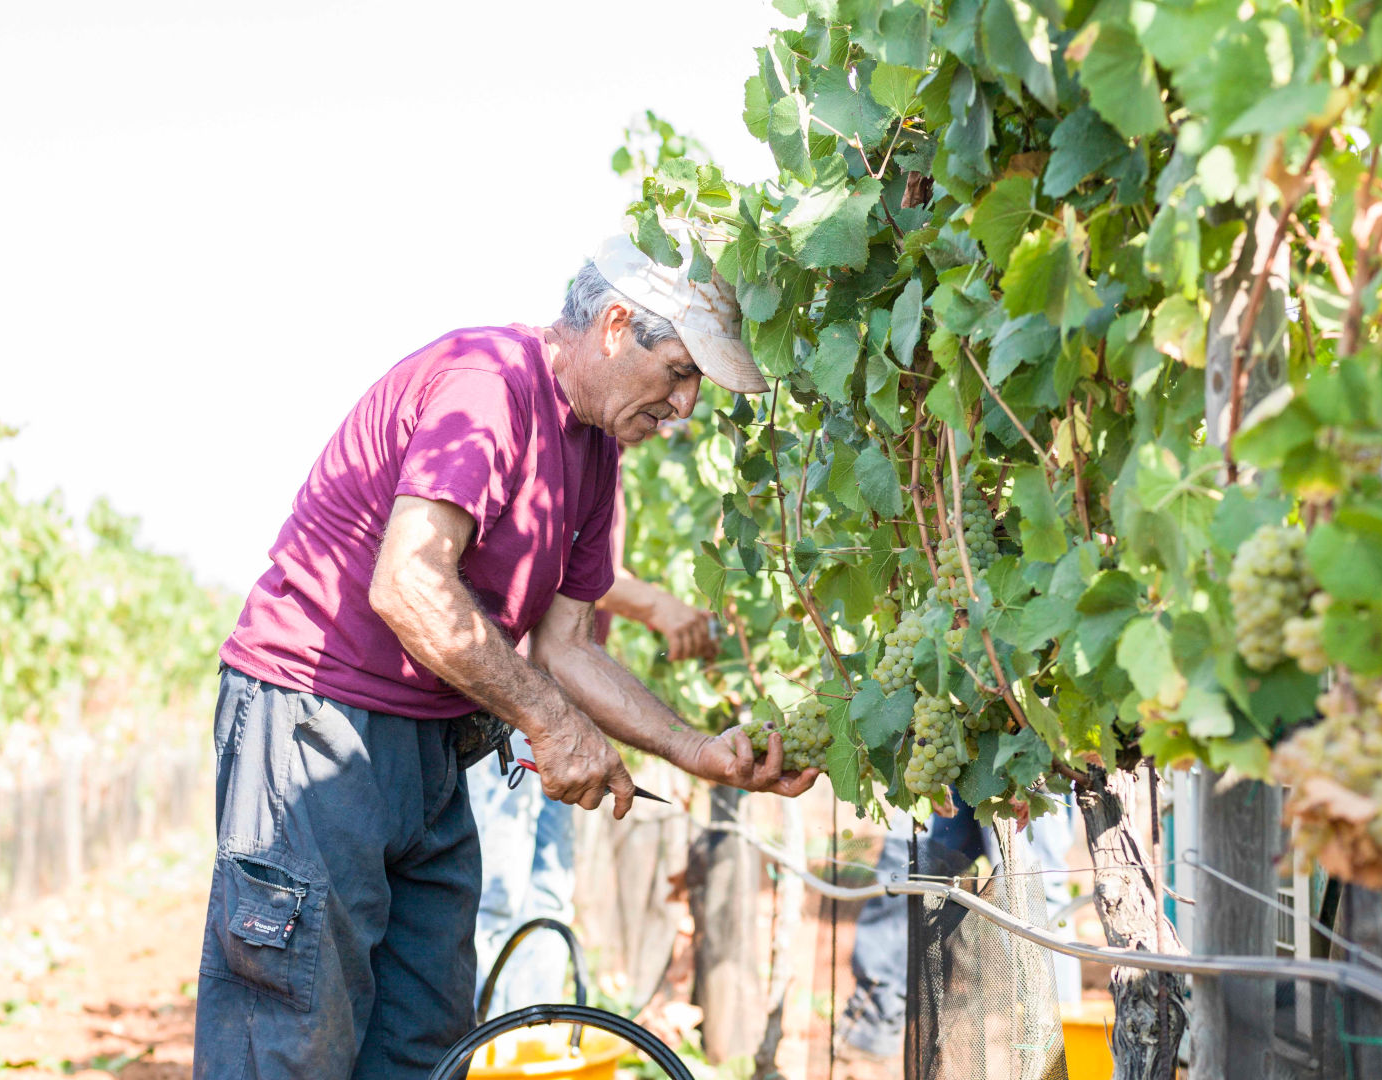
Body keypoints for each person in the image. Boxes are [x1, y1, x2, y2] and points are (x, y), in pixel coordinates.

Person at [195, 227, 817, 1079]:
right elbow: (408, 583)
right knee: (292, 1039)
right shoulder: (489, 383)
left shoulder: (597, 456)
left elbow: (567, 647)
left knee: (421, 1037)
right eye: (679, 373)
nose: (686, 408)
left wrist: (693, 748)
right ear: (614, 325)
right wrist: (552, 725)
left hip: (432, 749)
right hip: (316, 724)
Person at [468, 420, 718, 1018]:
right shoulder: (550, 443)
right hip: (516, 711)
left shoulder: (607, 464)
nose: (674, 412)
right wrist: (657, 604)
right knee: (496, 890)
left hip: (563, 715)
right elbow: (571, 582)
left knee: (548, 889)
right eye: (671, 382)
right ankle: (476, 1048)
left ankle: (529, 1041)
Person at [836, 796, 1082, 1060]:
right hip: (950, 760)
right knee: (907, 868)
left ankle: (1060, 1050)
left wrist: (1023, 770)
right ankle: (873, 1023)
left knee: (1032, 886)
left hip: (1025, 766)